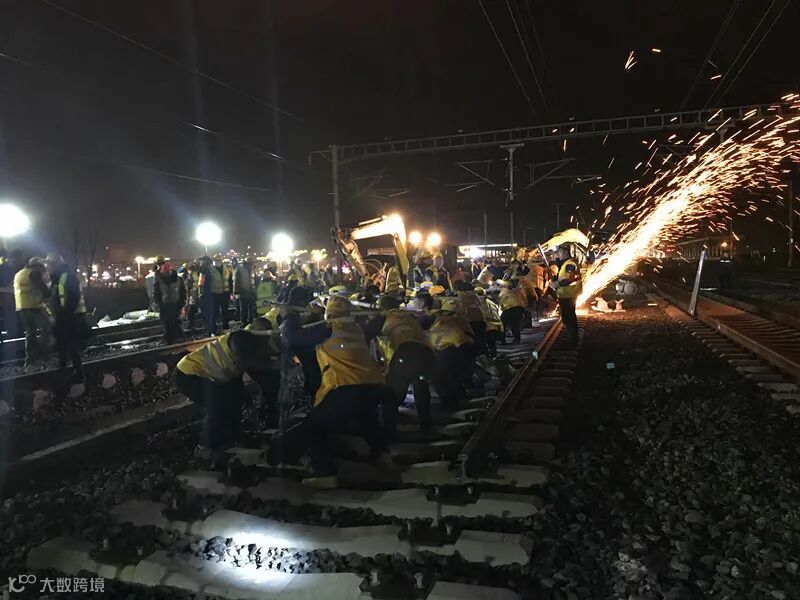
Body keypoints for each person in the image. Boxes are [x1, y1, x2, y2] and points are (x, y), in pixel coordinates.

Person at [281, 295, 393, 489]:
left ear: (329, 313)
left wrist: (289, 316)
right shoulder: (356, 328)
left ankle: (326, 474)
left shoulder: (327, 327)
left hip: (345, 385)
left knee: (314, 427)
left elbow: (293, 338)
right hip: (373, 384)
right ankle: (383, 457)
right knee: (367, 421)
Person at [175, 329, 274, 460]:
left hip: (208, 377)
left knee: (232, 402)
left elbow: (236, 380)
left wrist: (245, 397)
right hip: (188, 375)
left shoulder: (242, 351)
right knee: (218, 407)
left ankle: (228, 439)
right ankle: (203, 447)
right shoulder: (236, 350)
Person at [364, 295, 434, 439]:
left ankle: (389, 433)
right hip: (425, 354)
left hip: (404, 355)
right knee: (421, 389)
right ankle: (426, 427)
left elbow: (364, 334)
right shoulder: (408, 316)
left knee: (391, 395)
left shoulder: (383, 318)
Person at [420, 294, 475, 410]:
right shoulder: (444, 314)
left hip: (451, 347)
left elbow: (420, 326)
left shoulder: (430, 316)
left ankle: (449, 404)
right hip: (465, 343)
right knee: (449, 374)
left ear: (425, 305)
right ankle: (460, 397)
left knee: (436, 376)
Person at [45, 253, 88, 382]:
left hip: (72, 316)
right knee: (62, 344)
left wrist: (64, 313)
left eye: (50, 264)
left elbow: (73, 297)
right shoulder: (56, 278)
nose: (48, 267)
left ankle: (78, 373)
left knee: (70, 344)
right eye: (47, 265)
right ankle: (64, 371)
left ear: (57, 265)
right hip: (63, 316)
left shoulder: (67, 276)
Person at [14, 257, 52, 367]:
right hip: (35, 307)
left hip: (22, 307)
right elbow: (45, 291)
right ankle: (44, 356)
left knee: (30, 333)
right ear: (37, 266)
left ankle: (30, 359)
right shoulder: (34, 273)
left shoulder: (19, 273)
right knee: (47, 328)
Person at [553, 244, 581, 346]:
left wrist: (558, 284)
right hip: (566, 295)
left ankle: (571, 341)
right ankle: (571, 339)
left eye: (559, 252)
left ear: (565, 252)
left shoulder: (569, 264)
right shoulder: (566, 263)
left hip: (568, 295)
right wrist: (556, 258)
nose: (558, 254)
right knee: (568, 318)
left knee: (569, 319)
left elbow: (570, 278)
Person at [153, 262, 186, 344]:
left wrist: (182, 304)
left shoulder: (178, 279)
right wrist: (157, 303)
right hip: (164, 304)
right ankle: (172, 338)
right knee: (166, 322)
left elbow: (183, 292)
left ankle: (175, 338)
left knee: (174, 321)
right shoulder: (159, 280)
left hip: (175, 304)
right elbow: (156, 292)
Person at [454, 280, 487, 355]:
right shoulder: (476, 297)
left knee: (473, 343)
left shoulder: (462, 297)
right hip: (481, 319)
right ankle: (484, 357)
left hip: (470, 321)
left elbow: (459, 310)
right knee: (481, 342)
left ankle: (476, 357)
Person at [0, 249, 24, 344]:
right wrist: (9, 289)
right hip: (5, 305)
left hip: (20, 304)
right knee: (12, 331)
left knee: (18, 332)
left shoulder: (22, 269)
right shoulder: (2, 269)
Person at [498, 279, 526, 344]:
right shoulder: (516, 291)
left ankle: (502, 340)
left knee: (503, 324)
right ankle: (517, 339)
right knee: (515, 324)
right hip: (519, 307)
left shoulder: (502, 292)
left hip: (509, 308)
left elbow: (500, 303)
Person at [234, 257, 256, 326]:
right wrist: (237, 291)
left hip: (250, 292)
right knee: (244, 309)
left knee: (251, 308)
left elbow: (253, 280)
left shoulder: (251, 269)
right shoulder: (241, 269)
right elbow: (236, 281)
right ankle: (244, 323)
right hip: (243, 292)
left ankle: (250, 322)